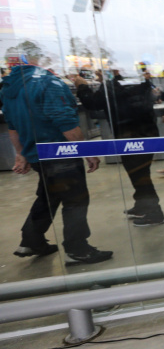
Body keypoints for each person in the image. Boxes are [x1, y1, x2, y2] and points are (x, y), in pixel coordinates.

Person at [1, 62, 113, 265]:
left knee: (48, 196)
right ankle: (77, 249)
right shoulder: (49, 83)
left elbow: (12, 127)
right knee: (75, 199)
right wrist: (87, 152)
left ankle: (31, 241)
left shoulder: (9, 89)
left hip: (38, 155)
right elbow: (66, 123)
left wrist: (21, 154)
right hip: (60, 153)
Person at [71, 70, 164, 227]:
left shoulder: (112, 85)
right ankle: (142, 205)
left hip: (130, 137)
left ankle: (154, 212)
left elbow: (92, 103)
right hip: (147, 133)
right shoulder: (138, 81)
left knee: (139, 174)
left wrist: (82, 87)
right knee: (140, 172)